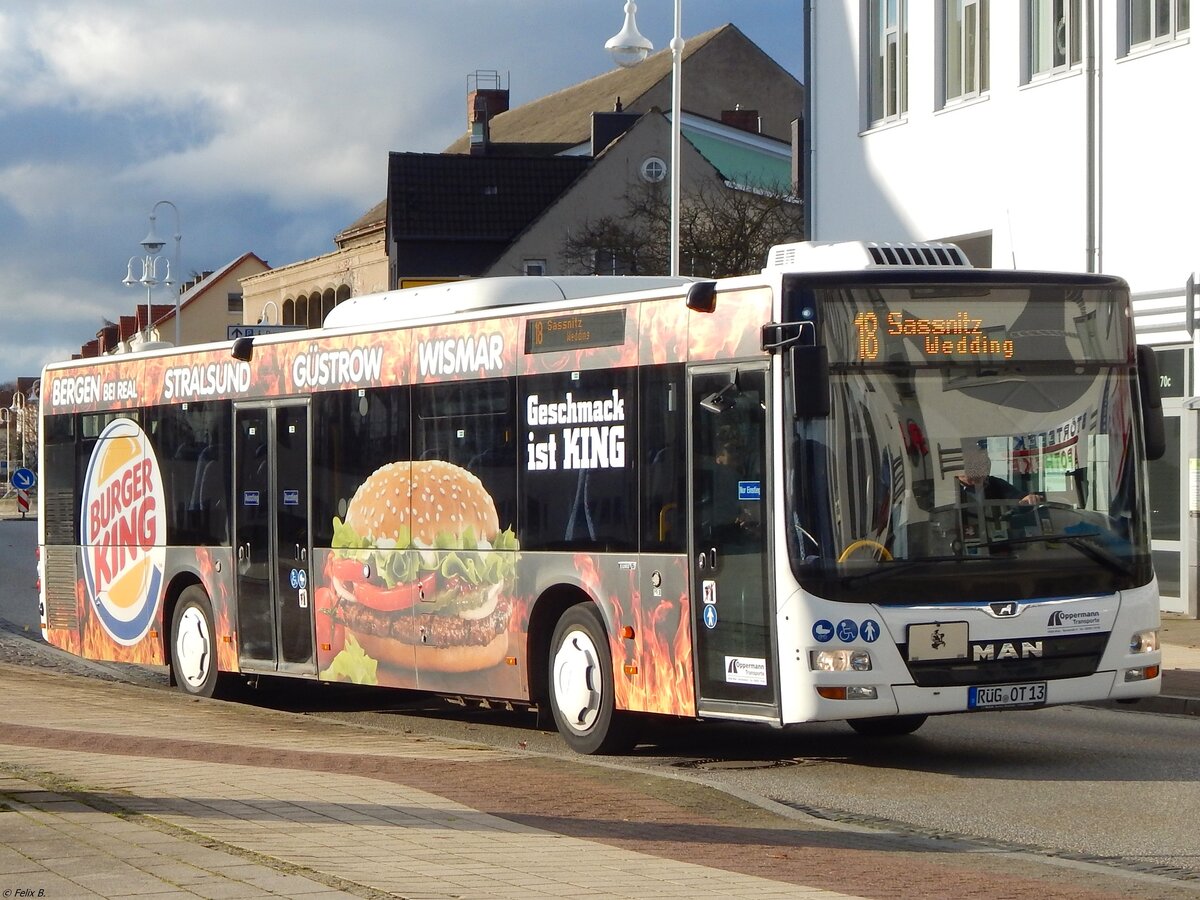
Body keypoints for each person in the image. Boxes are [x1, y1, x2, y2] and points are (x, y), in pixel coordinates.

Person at [957, 443, 1041, 506]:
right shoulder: (953, 486)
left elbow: (1015, 496)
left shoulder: (994, 483)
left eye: (985, 474)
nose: (984, 478)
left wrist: (1026, 499)